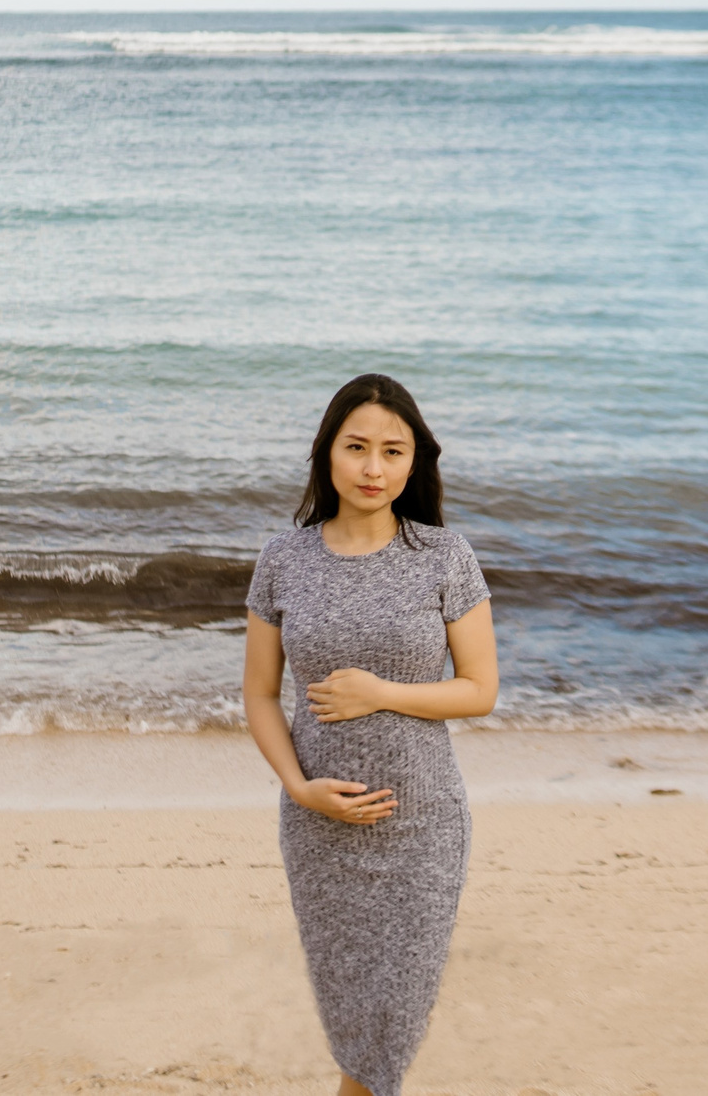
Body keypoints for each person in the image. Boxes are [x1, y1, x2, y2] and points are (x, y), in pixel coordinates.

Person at [243, 374, 499, 1096]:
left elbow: (479, 689)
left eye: (393, 451)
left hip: (423, 823)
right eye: (356, 447)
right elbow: (259, 693)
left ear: (415, 461)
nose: (373, 468)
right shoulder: (283, 559)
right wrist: (299, 789)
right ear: (328, 452)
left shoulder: (444, 555)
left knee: (393, 1020)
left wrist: (381, 693)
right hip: (319, 826)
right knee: (352, 1014)